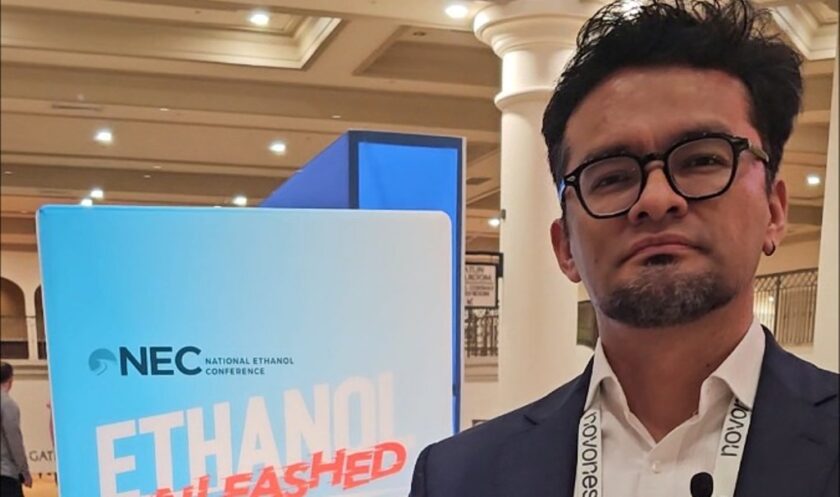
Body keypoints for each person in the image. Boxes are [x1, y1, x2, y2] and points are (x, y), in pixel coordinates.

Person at [409, 0, 838, 495]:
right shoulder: (459, 477)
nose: (656, 199)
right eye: (612, 176)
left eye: (702, 160)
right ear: (565, 247)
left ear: (774, 211)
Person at [1, 361, 32, 497]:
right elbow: (14, 441)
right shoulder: (7, 404)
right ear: (10, 379)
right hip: (5, 474)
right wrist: (24, 471)